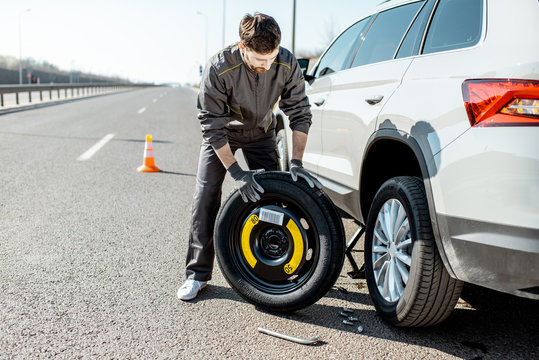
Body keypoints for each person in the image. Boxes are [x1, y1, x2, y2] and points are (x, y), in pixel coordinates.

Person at [178, 13, 322, 301]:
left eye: (270, 59)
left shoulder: (287, 62)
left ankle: (272, 269)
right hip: (224, 136)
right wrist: (237, 173)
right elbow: (212, 127)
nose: (265, 67)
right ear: (243, 49)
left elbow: (300, 114)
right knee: (206, 194)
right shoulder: (218, 68)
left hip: (261, 133)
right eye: (258, 61)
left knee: (275, 195)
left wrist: (296, 162)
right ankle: (197, 275)